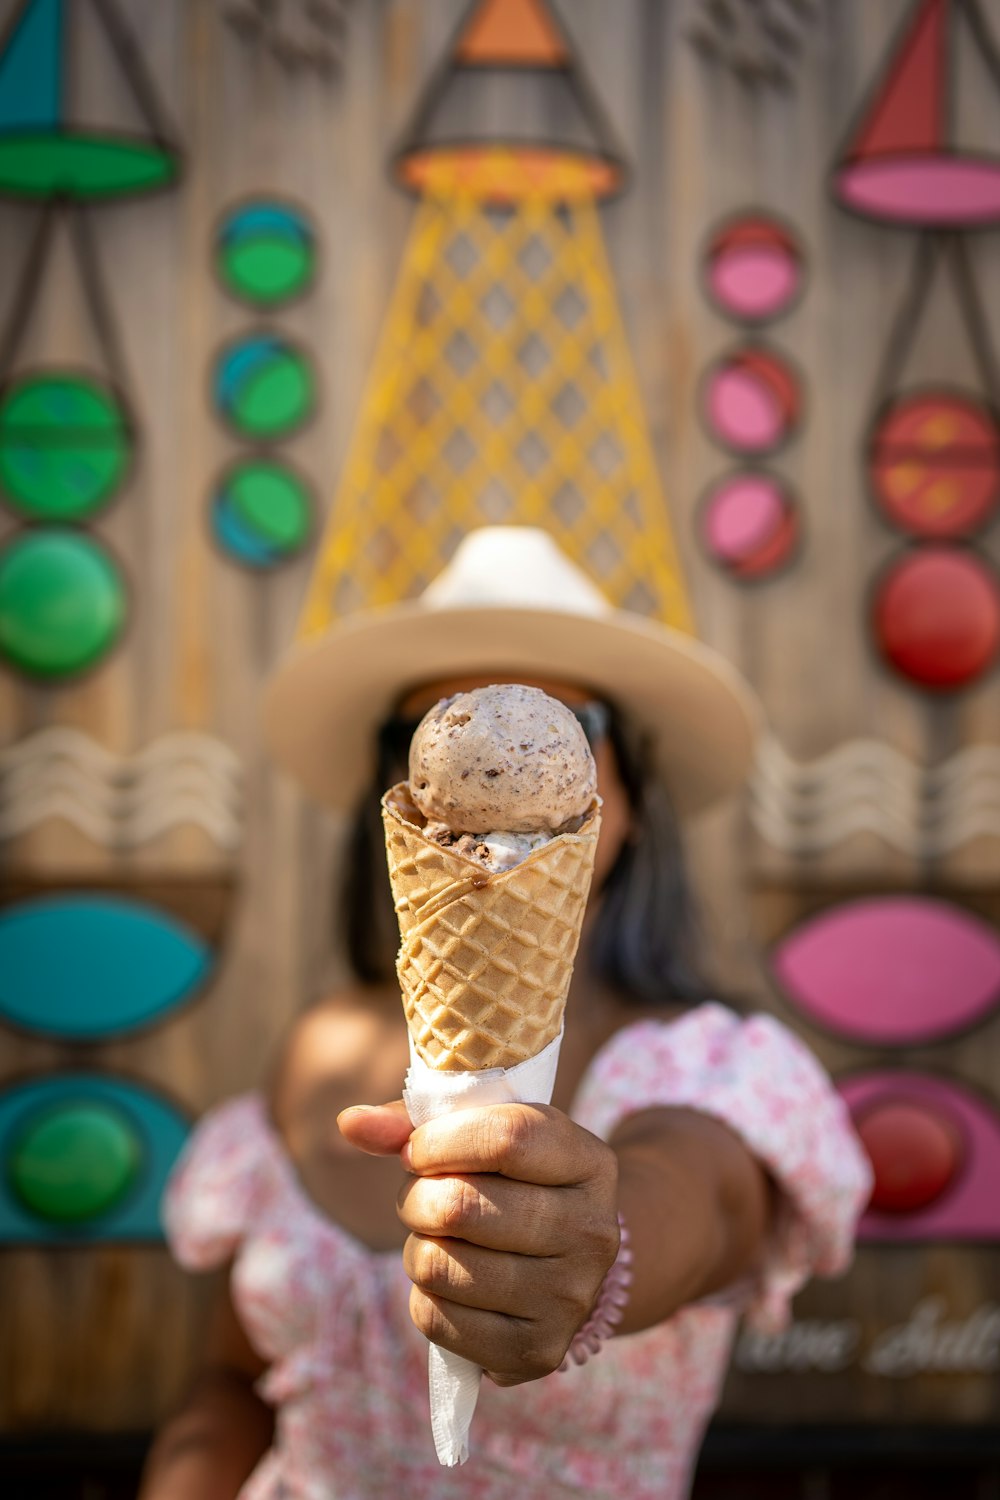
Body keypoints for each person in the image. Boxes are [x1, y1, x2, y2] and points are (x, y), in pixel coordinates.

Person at [140, 527, 872, 1500]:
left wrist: (599, 1247)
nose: (481, 756)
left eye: (561, 721)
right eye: (429, 731)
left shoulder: (713, 1066)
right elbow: (233, 1381)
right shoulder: (314, 1049)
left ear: (631, 799)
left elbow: (701, 1196)